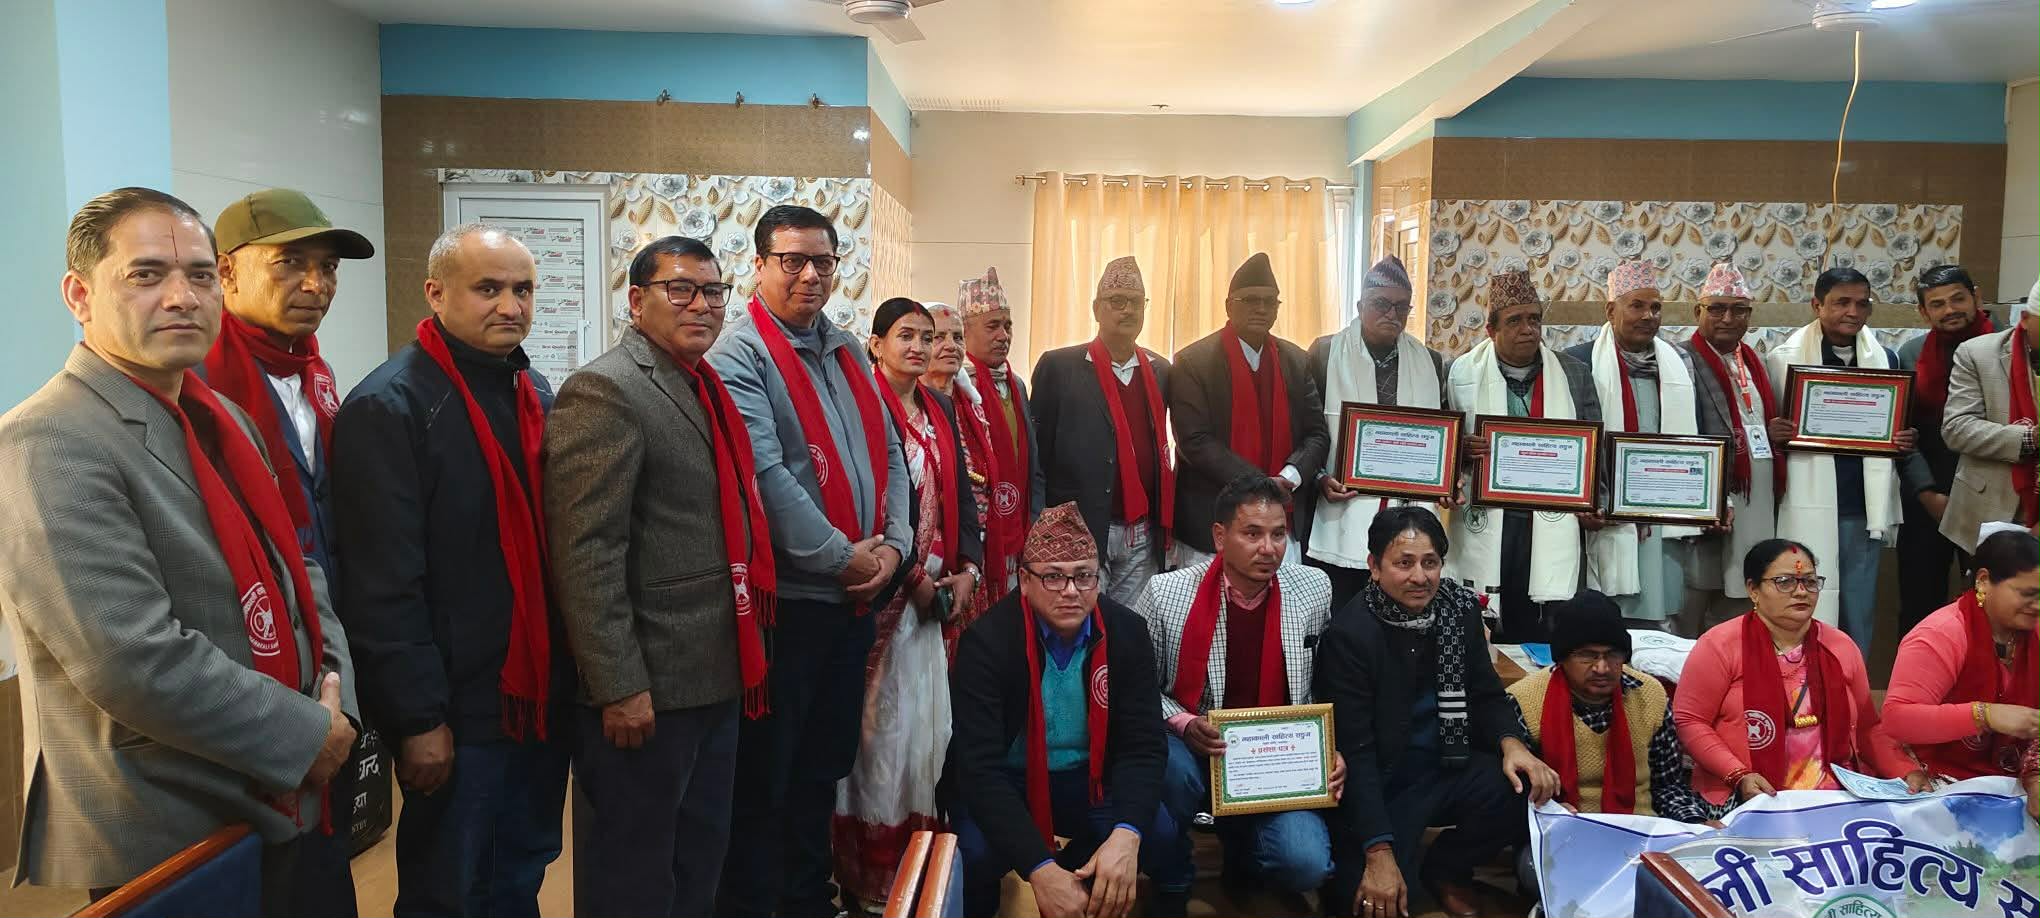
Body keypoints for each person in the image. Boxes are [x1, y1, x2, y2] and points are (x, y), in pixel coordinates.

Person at [0, 187, 356, 914]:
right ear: (79, 294)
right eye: (146, 274)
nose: (182, 297)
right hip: (173, 815)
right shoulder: (49, 439)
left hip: (287, 791)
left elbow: (300, 572)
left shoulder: (220, 415)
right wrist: (306, 735)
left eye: (198, 275)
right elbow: (131, 658)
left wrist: (338, 703)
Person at [332, 223, 570, 918]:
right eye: (488, 289)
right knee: (450, 890)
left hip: (534, 693)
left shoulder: (532, 390)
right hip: (456, 708)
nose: (511, 307)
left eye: (523, 289)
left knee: (520, 871)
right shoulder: (391, 405)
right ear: (436, 294)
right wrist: (417, 720)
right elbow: (383, 583)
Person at [542, 236, 762, 918]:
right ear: (637, 301)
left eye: (714, 291)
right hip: (647, 689)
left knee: (697, 864)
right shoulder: (606, 389)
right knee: (633, 878)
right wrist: (618, 685)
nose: (702, 305)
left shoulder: (702, 384)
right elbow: (587, 551)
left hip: (712, 673)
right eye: (681, 289)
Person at [707, 204, 912, 918]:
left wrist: (895, 547)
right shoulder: (740, 355)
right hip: (788, 608)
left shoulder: (847, 348)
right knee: (768, 777)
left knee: (823, 768)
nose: (809, 275)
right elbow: (765, 476)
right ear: (759, 264)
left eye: (822, 261)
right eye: (792, 260)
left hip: (852, 604)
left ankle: (804, 900)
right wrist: (840, 558)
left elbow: (890, 453)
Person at [201, 187, 376, 914]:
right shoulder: (198, 383)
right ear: (226, 271)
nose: (316, 284)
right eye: (290, 263)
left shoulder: (314, 373)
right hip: (245, 686)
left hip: (322, 662)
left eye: (327, 268)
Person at [1315, 506, 1559, 918]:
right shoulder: (1351, 635)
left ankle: (1447, 869)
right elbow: (1356, 750)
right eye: (1404, 563)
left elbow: (1485, 693)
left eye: (1430, 563)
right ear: (1374, 566)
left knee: (1525, 787)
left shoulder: (1459, 609)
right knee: (1367, 904)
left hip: (1447, 764)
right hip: (1384, 781)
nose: (1420, 576)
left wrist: (1513, 744)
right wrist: (1377, 850)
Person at [947, 503, 1181, 918]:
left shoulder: (1127, 632)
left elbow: (1143, 746)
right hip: (1010, 779)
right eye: (1053, 576)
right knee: (974, 853)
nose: (1071, 591)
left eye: (1083, 576)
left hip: (1091, 777)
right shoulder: (986, 642)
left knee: (1157, 834)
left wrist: (1126, 836)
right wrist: (1040, 870)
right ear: (1025, 581)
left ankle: (1115, 888)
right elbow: (979, 768)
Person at [833, 297, 984, 908]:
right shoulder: (859, 405)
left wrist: (969, 569)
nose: (920, 347)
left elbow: (961, 497)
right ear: (875, 344)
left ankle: (915, 871)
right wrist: (912, 577)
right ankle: (868, 879)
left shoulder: (939, 406)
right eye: (906, 336)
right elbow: (862, 505)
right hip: (883, 598)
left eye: (927, 336)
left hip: (935, 604)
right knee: (876, 738)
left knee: (925, 733)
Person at [1141, 475, 1339, 906]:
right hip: (1192, 743)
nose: (1268, 549)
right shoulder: (1166, 592)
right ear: (1220, 536)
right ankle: (1172, 871)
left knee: (1306, 863)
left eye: (1278, 535)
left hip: (1277, 754)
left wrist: (1329, 749)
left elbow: (1328, 683)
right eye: (1252, 534)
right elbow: (1137, 688)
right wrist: (1184, 722)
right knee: (1171, 774)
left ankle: (1245, 851)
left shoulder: (1314, 589)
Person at [1672, 540, 1928, 813]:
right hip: (1746, 797)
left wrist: (1905, 771)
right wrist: (1737, 774)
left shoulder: (1840, 646)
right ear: (1753, 589)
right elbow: (1690, 721)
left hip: (1835, 797)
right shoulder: (1721, 645)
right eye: (1784, 582)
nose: (1801, 591)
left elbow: (1868, 729)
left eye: (1810, 581)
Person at [1445, 270, 1603, 643]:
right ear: (1491, 330)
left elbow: (1595, 448)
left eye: (1534, 319)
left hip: (1552, 517)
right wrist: (1459, 450)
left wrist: (1595, 500)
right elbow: (1443, 445)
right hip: (1490, 517)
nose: (1528, 329)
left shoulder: (1573, 373)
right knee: (1489, 620)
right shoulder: (1459, 373)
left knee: (1547, 622)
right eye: (1515, 321)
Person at [1764, 267, 1916, 654]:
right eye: (1841, 302)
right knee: (1799, 600)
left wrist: (1902, 440)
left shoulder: (1886, 359)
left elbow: (1895, 427)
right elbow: (1767, 431)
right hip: (1805, 501)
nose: (1853, 312)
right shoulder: (1783, 360)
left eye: (1862, 303)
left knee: (1857, 607)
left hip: (1860, 505)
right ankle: (1799, 680)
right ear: (1817, 305)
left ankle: (1851, 683)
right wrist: (1773, 432)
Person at [1308, 256, 1451, 612]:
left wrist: (1448, 477)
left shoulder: (1430, 361)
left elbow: (1440, 437)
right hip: (1342, 510)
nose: (1392, 314)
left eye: (1401, 306)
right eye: (1381, 304)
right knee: (1343, 615)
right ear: (1360, 306)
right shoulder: (1325, 353)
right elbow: (1306, 429)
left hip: (1409, 510)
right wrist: (1320, 476)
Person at [1171, 252, 1331, 569]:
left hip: (1282, 522)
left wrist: (1289, 476)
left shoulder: (1296, 360)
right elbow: (1194, 441)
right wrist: (1261, 484)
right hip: (1210, 521)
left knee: (1282, 601)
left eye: (1270, 302)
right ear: (1229, 306)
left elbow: (1316, 434)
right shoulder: (1193, 362)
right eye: (1251, 300)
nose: (1261, 308)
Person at [1564, 261, 1702, 628]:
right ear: (1611, 311)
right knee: (1603, 616)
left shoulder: (1679, 362)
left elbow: (1696, 437)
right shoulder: (1579, 361)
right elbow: (1572, 441)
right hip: (1605, 514)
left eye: (1655, 307)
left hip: (1662, 509)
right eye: (1637, 305)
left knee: (1660, 613)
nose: (1648, 316)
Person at [1031, 256, 1174, 605]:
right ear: (1097, 309)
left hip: (1141, 532)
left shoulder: (1160, 370)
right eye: (1117, 301)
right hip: (1078, 527)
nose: (1128, 310)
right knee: (1079, 621)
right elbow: (1037, 458)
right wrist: (1042, 524)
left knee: (1130, 625)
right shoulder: (1059, 367)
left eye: (1136, 302)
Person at [1678, 262, 1792, 636]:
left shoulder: (1756, 361)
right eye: (1717, 309)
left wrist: (1775, 432)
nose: (1728, 318)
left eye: (1738, 310)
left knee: (1743, 589)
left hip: (1756, 497)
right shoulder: (1681, 359)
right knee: (1697, 591)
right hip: (1713, 494)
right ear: (1697, 312)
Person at [1884, 525, 2040, 780]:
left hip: (2021, 778)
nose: (2038, 606)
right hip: (1942, 781)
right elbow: (1897, 719)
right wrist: (1985, 715)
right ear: (1983, 581)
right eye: (2028, 594)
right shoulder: (1940, 634)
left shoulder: (2035, 631)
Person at [1896, 264, 1994, 635]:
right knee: (1919, 603)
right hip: (1929, 501)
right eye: (1937, 304)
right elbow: (1904, 433)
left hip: (1993, 501)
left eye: (1958, 299)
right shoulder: (1911, 354)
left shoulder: (2008, 346)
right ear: (1923, 312)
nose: (1950, 309)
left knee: (1992, 603)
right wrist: (1926, 493)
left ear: (1976, 297)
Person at [1938, 290, 2040, 558]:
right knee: (1985, 585)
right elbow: (1957, 428)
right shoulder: (1978, 353)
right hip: (1988, 510)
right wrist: (2030, 438)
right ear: (2026, 318)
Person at [961, 266, 1044, 591]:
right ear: (965, 330)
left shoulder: (1017, 384)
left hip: (1020, 529)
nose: (1003, 336)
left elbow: (1033, 463)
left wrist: (1035, 521)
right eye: (992, 326)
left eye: (1007, 326)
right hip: (977, 534)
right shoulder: (955, 384)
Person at [929, 301, 1005, 614]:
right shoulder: (909, 406)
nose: (951, 345)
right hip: (929, 550)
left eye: (957, 337)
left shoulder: (972, 405)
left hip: (975, 546)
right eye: (938, 337)